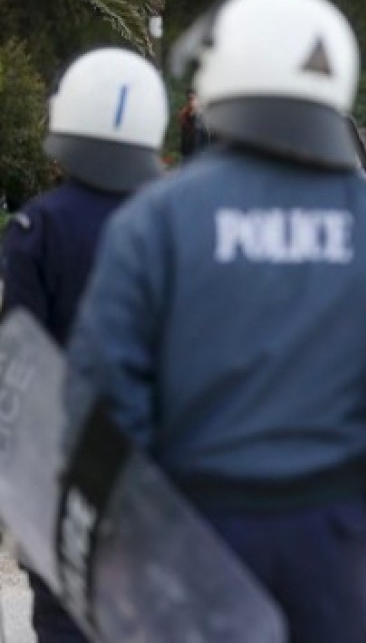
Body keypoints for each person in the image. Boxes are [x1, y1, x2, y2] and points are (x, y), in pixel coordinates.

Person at [67, 0, 366, 643]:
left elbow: (102, 385)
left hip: (191, 530)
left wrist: (124, 519)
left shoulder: (158, 219)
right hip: (329, 529)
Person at [1, 47, 169, 643]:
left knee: (66, 620)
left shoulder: (36, 229)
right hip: (160, 469)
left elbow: (17, 363)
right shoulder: (178, 220)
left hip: (65, 470)